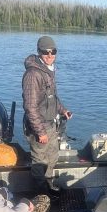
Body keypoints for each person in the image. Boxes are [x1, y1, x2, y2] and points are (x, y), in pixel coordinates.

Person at [22, 35, 73, 195]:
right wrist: (40, 132)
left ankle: (50, 187)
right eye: (46, 52)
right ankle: (40, 193)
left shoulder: (48, 71)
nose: (50, 55)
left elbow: (51, 98)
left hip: (51, 124)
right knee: (40, 162)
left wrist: (63, 110)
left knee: (52, 157)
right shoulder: (33, 75)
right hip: (40, 127)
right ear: (39, 52)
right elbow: (30, 106)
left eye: (53, 52)